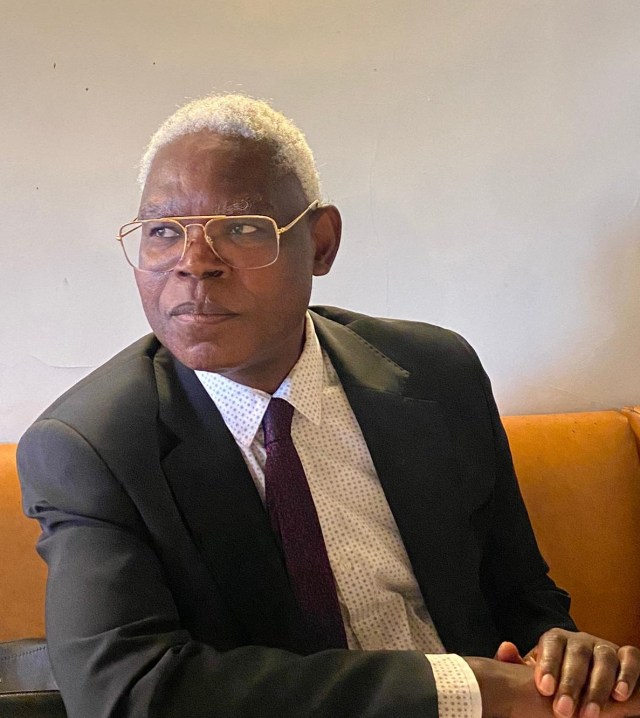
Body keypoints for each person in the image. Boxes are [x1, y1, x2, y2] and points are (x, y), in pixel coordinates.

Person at [18, 94, 640, 718]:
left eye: (242, 228)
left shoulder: (437, 374)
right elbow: (130, 694)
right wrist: (465, 690)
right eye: (162, 232)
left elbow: (521, 593)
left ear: (321, 243)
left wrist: (566, 657)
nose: (195, 264)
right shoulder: (92, 448)